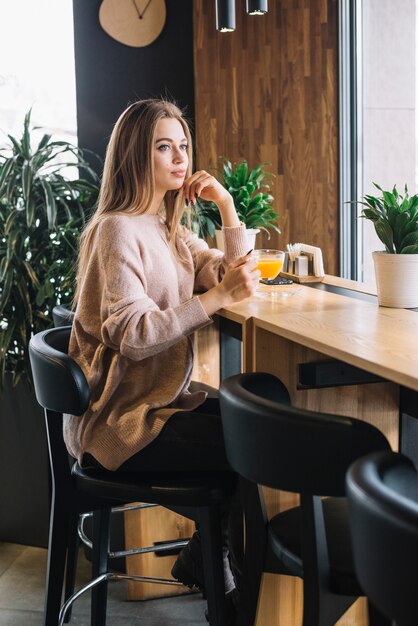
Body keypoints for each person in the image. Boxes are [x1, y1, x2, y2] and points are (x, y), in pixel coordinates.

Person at [64, 98, 260, 623]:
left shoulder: (165, 225)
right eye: (163, 146)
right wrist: (215, 300)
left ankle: (209, 560)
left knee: (261, 419)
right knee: (257, 448)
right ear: (134, 155)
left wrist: (225, 205)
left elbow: (227, 270)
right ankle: (236, 602)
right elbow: (134, 334)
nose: (179, 157)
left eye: (183, 145)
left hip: (159, 409)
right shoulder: (118, 230)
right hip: (121, 425)